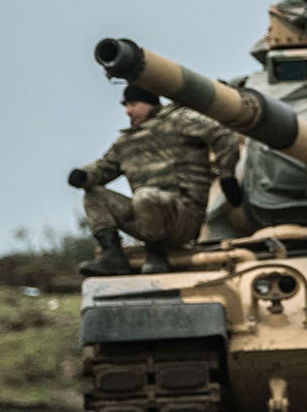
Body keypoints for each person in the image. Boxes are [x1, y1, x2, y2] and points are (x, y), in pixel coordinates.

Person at [70, 83, 242, 277]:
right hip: (147, 217)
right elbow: (104, 168)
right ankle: (113, 257)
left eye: (132, 104)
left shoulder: (179, 120)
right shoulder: (128, 141)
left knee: (145, 197)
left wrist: (228, 176)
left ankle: (156, 252)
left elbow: (223, 135)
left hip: (183, 215)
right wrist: (84, 175)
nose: (127, 111)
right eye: (125, 105)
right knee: (94, 195)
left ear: (148, 103)